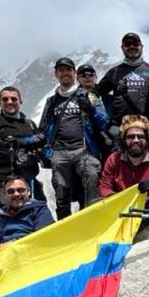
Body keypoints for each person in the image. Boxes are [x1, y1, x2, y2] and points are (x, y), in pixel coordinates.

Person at [39, 57, 110, 219]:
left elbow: (104, 122)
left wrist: (91, 110)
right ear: (56, 74)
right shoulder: (51, 101)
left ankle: (93, 218)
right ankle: (65, 226)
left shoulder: (88, 95)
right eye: (61, 70)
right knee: (61, 191)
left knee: (92, 177)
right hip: (59, 152)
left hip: (84, 149)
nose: (65, 73)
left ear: (74, 73)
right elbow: (43, 127)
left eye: (68, 70)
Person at [0, 86, 46, 207]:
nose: (9, 102)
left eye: (13, 99)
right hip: (1, 180)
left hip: (28, 177)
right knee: (5, 216)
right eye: (5, 99)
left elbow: (41, 143)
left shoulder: (29, 124)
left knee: (36, 211)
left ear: (20, 102)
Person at [98, 115, 149, 206]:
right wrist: (114, 197)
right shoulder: (113, 159)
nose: (136, 140)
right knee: (95, 203)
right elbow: (104, 187)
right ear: (124, 139)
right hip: (120, 206)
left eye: (140, 137)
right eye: (131, 137)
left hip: (147, 207)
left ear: (147, 139)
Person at [0, 177, 55, 249]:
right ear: (5, 195)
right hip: (5, 257)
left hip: (33, 253)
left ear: (28, 192)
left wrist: (13, 244)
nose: (16, 194)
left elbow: (43, 236)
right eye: (11, 191)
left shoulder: (39, 209)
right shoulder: (0, 215)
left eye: (21, 190)